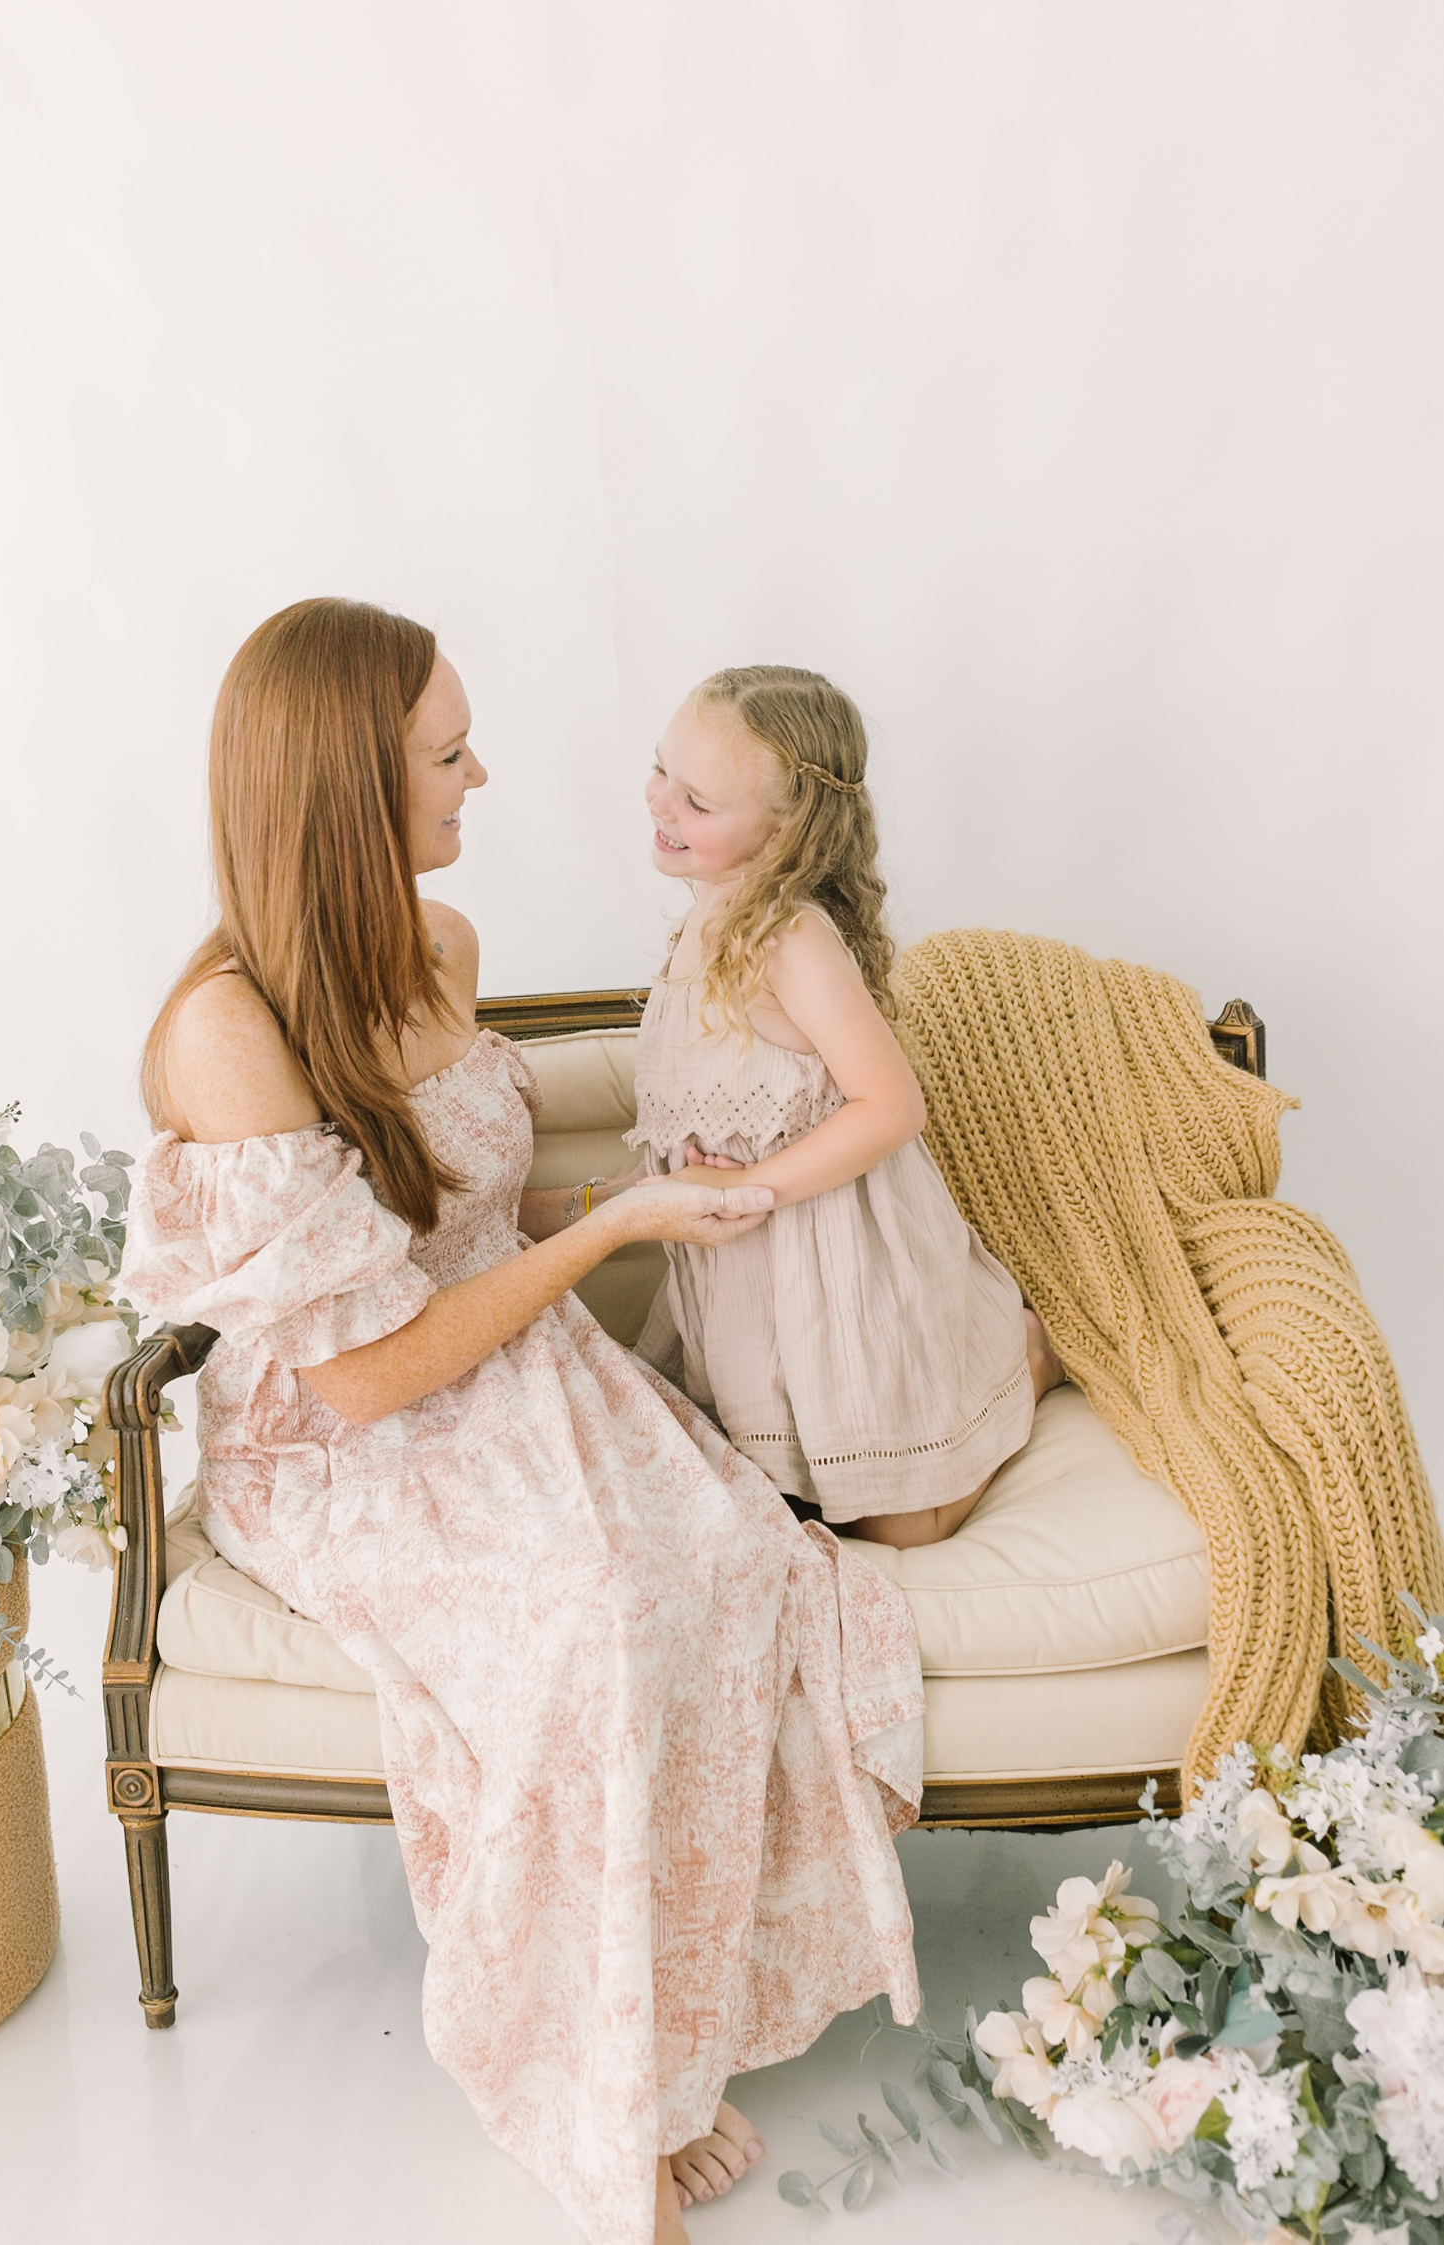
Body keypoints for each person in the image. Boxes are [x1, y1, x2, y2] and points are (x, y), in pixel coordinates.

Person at [119, 601, 926, 2245]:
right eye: (444, 751)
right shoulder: (228, 1028)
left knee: (728, 1561)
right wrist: (613, 1228)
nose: (479, 772)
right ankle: (599, 2094)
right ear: (347, 783)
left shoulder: (444, 945)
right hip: (352, 1429)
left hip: (509, 1354)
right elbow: (362, 1369)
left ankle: (674, 2038)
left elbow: (470, 1203)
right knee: (591, 1625)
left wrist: (632, 1190)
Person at [632, 664, 1063, 1550]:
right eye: (660, 770)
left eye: (698, 801)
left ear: (785, 830)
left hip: (832, 1257)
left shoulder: (788, 936)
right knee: (775, 1496)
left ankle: (1025, 1349)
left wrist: (752, 1182)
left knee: (901, 1528)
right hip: (747, 1275)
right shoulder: (701, 921)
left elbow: (889, 1104)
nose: (660, 803)